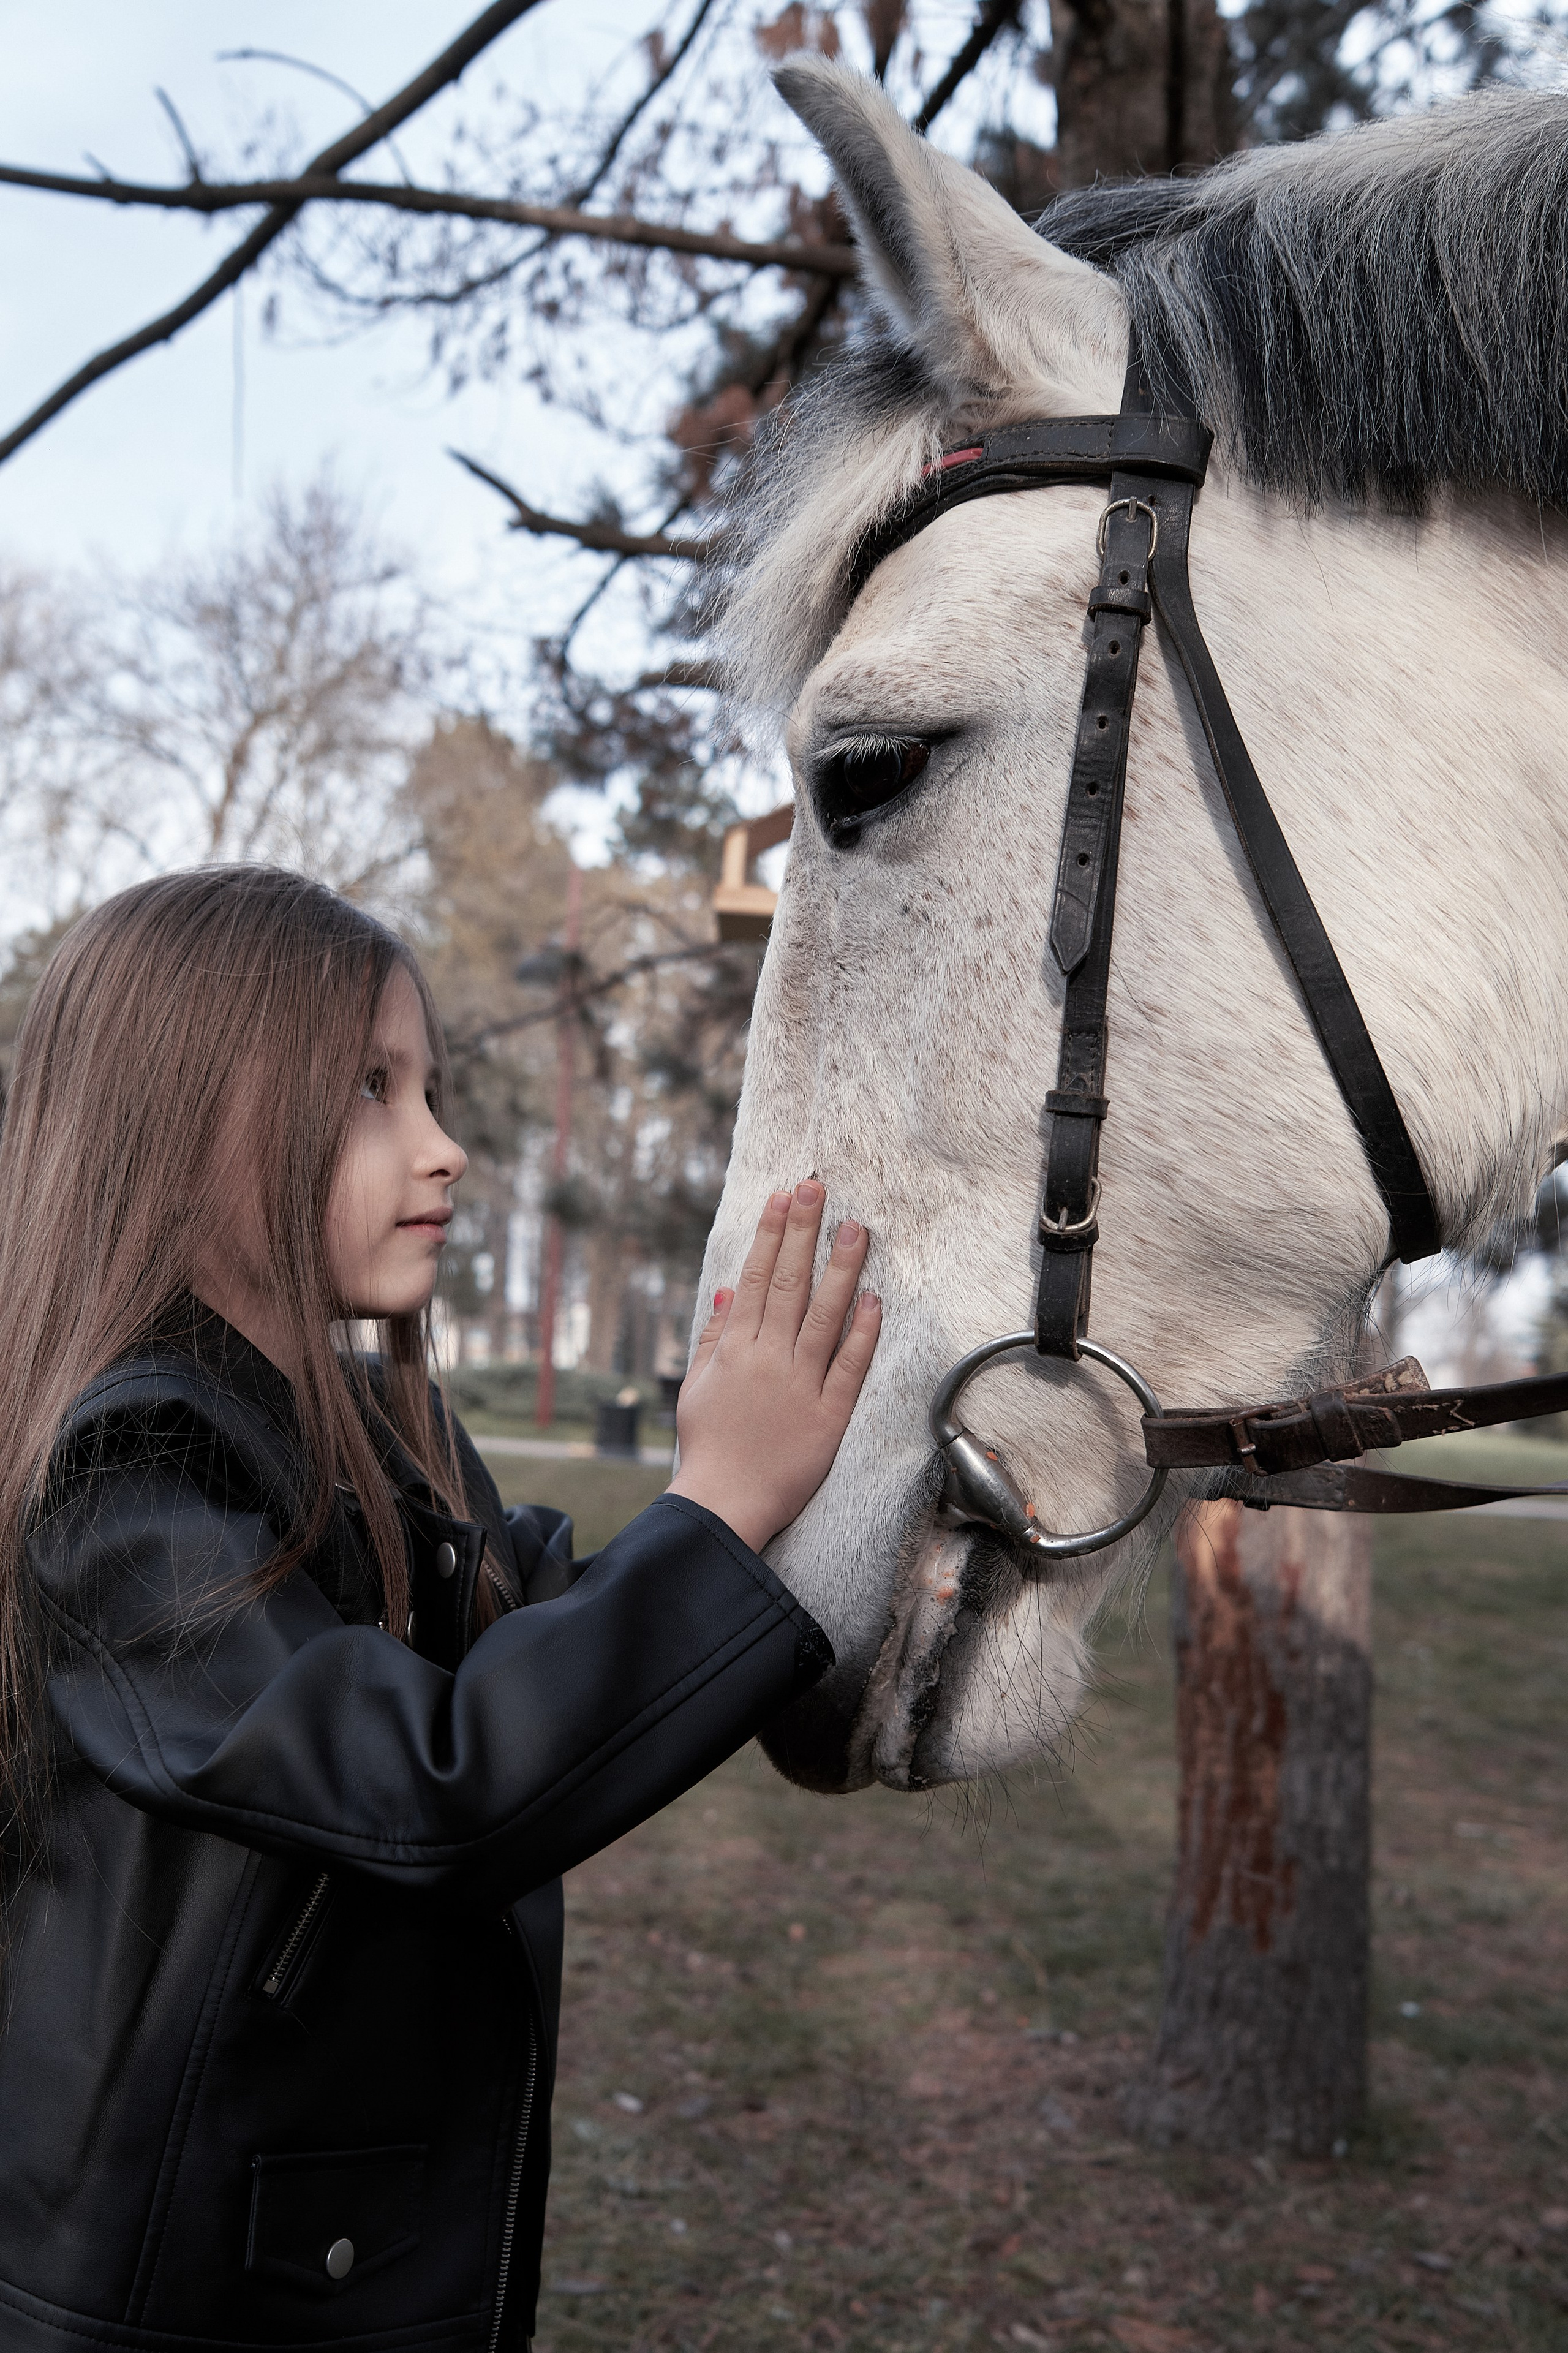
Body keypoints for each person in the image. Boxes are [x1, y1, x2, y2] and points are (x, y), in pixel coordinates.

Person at [0, 866, 880, 2352]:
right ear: (180, 1117)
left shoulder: (385, 1443)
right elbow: (432, 1784)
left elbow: (562, 1659)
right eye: (370, 1090)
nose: (447, 1148)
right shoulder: (125, 1466)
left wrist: (785, 1488)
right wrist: (717, 1506)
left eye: (430, 1089)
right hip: (171, 2303)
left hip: (351, 2261)